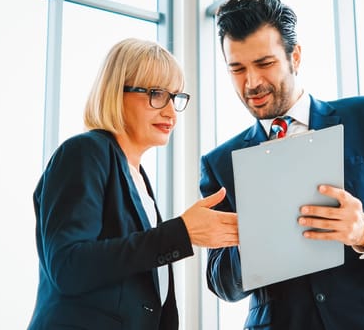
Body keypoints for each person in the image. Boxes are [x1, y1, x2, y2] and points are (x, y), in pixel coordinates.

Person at [200, 0, 364, 329]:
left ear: (294, 56)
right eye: (237, 69)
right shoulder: (221, 164)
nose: (251, 83)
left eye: (264, 64)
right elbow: (221, 281)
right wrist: (252, 241)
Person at [28, 38, 239, 330]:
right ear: (117, 93)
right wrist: (182, 233)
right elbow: (68, 266)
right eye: (155, 94)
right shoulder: (86, 152)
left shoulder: (139, 179)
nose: (169, 111)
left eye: (174, 97)